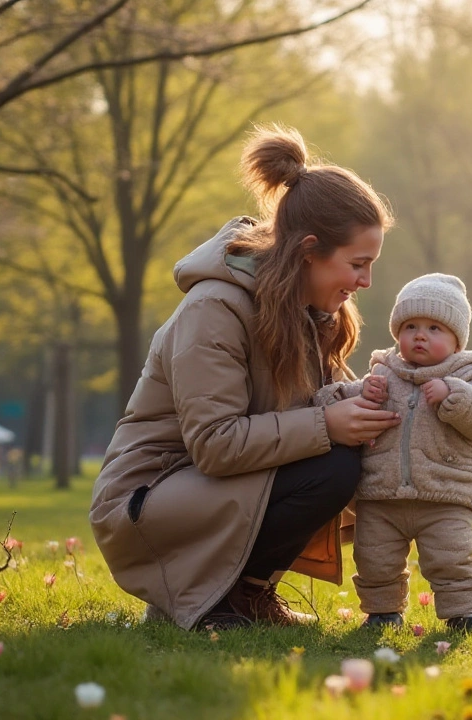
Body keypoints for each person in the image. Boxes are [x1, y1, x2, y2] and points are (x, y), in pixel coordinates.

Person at [89, 125, 400, 632]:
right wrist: (329, 424)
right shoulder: (213, 309)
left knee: (353, 454)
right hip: (148, 499)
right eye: (358, 264)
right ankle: (214, 599)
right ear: (309, 249)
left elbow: (324, 408)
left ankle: (246, 595)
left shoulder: (307, 315)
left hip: (211, 487)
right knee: (335, 460)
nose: (365, 282)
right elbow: (213, 444)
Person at [315, 274, 472, 633]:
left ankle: (464, 613)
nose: (420, 335)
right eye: (411, 326)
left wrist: (454, 395)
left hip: (445, 494)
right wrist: (360, 391)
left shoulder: (470, 374)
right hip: (381, 493)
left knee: (452, 559)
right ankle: (383, 612)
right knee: (375, 559)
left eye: (435, 328)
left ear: (456, 340)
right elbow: (333, 398)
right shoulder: (383, 370)